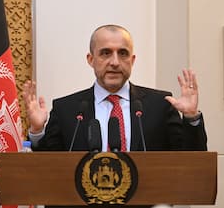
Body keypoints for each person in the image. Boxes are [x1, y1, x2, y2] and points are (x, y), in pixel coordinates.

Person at [23, 24, 207, 152]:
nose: (115, 62)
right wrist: (38, 131)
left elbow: (189, 161)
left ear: (132, 60)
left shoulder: (160, 105)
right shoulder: (67, 109)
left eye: (123, 53)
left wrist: (191, 117)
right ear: (90, 59)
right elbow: (47, 169)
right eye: (105, 53)